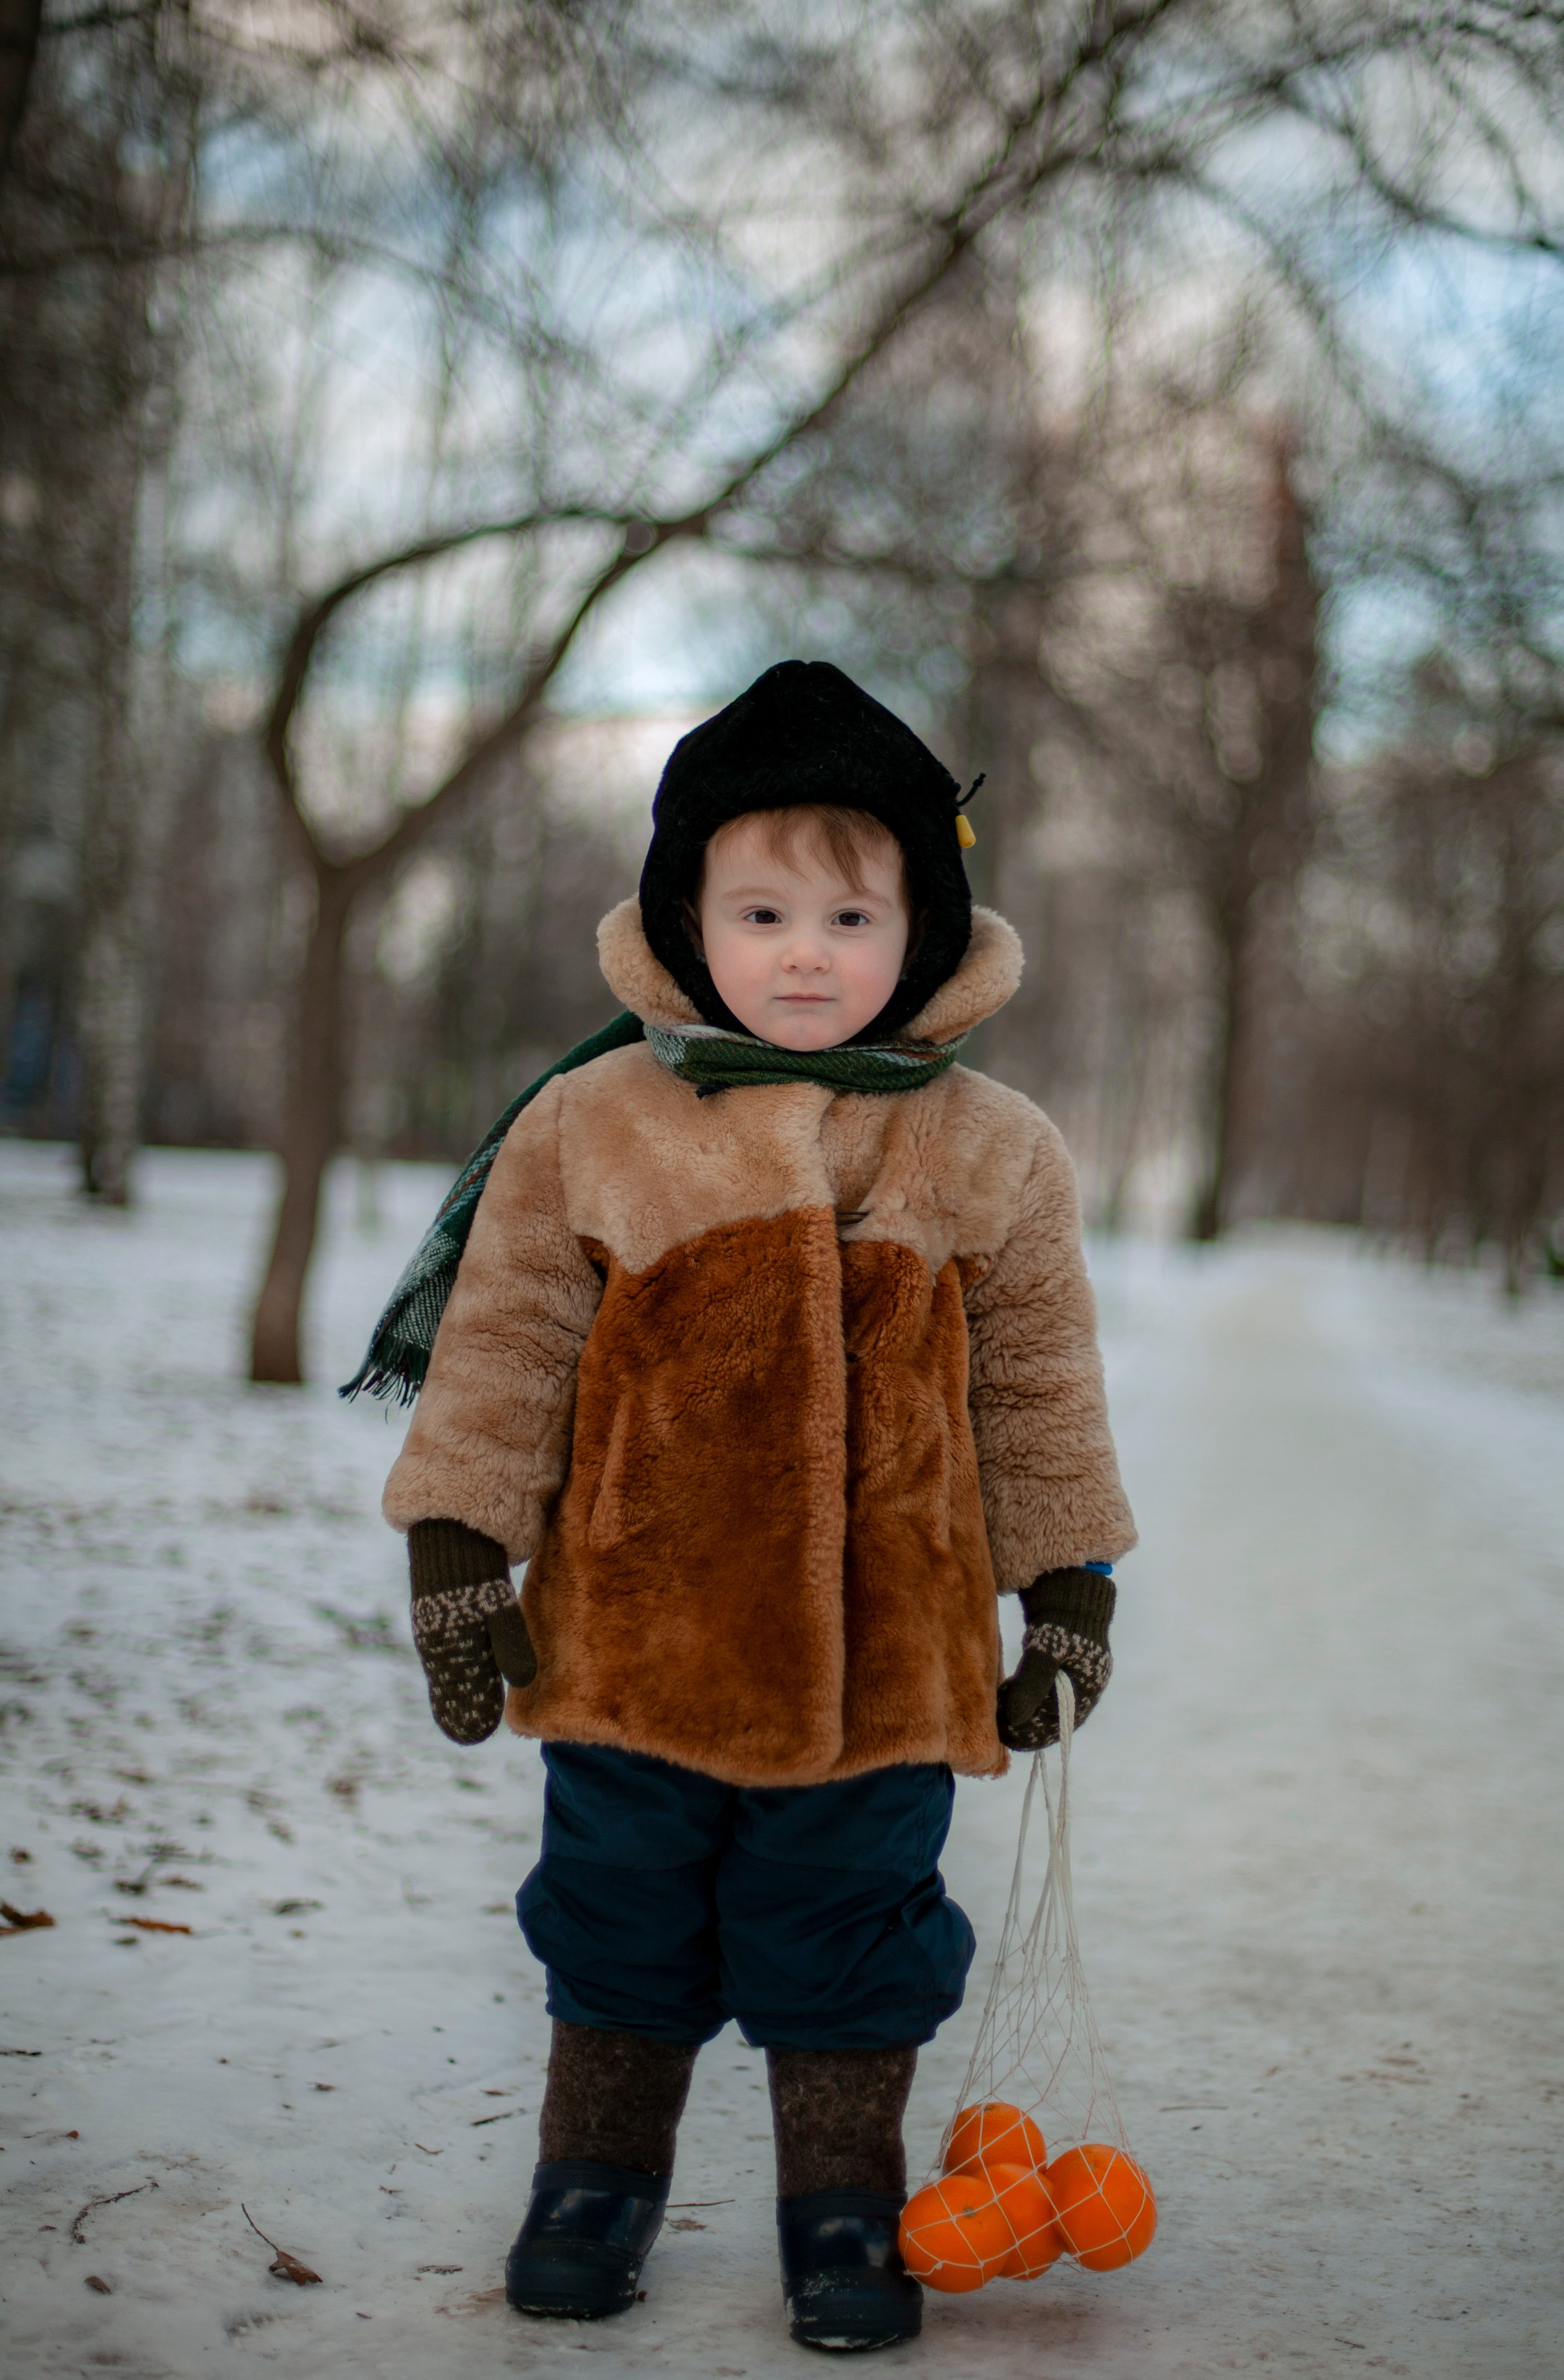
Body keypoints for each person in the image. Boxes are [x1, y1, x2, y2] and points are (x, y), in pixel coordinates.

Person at [374, 659, 1135, 2351]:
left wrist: (1066, 1588)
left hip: (888, 1662)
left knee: (853, 1929)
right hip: (638, 1639)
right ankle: (596, 2181)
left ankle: (842, 2203)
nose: (807, 951)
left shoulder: (987, 1149)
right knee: (617, 1911)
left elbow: (1034, 1387)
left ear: (924, 932)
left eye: (853, 917)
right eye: (765, 908)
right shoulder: (594, 1124)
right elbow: (503, 1351)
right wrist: (456, 1554)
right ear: (684, 918)